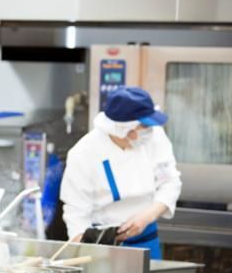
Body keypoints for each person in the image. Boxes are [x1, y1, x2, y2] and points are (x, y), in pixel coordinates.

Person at [60, 87, 182, 259]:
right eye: (144, 126)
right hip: (103, 244)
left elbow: (170, 182)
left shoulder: (154, 136)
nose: (150, 130)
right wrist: (86, 253)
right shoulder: (84, 153)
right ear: (125, 129)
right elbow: (76, 212)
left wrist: (147, 216)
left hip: (147, 238)